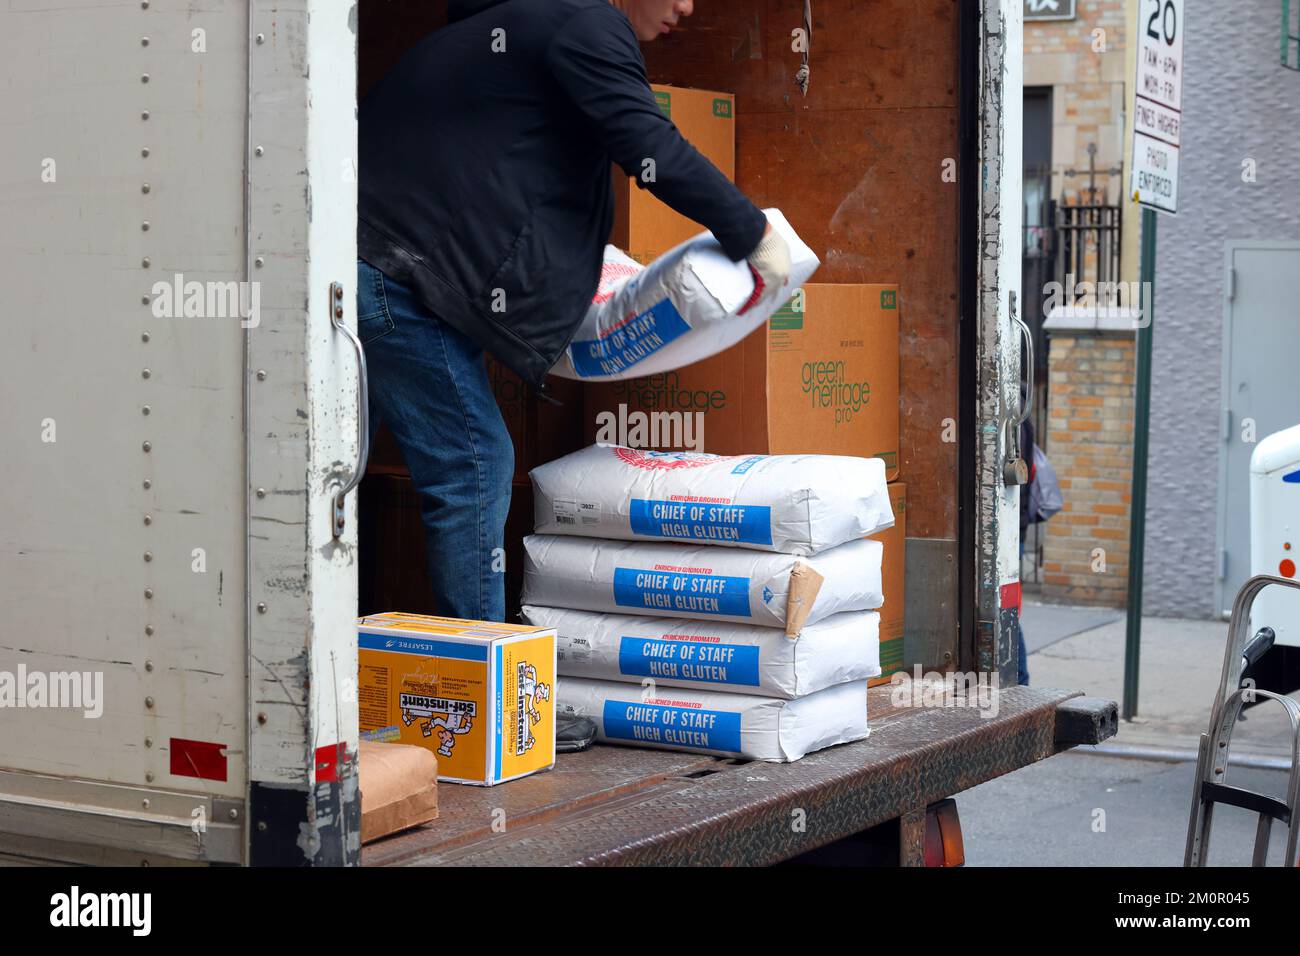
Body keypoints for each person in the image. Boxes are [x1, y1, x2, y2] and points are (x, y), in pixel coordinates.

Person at [356, 0, 792, 621]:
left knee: (338, 468)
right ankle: (484, 684)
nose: (688, 7)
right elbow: (649, 147)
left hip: (363, 262)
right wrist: (751, 232)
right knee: (474, 463)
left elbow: (503, 174)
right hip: (394, 276)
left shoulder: (525, 23)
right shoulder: (586, 22)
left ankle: (330, 665)